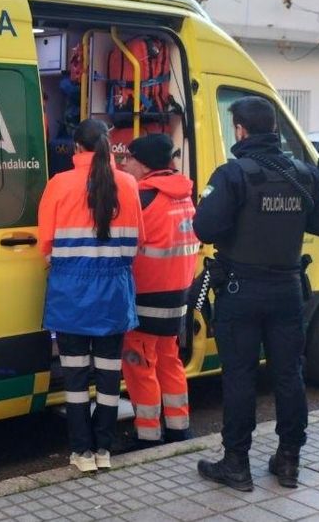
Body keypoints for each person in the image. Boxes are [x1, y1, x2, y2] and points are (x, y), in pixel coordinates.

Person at [193, 97, 319, 491]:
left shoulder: (234, 174)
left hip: (241, 291)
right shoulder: (304, 173)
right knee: (289, 375)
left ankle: (236, 464)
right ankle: (289, 460)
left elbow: (204, 228)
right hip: (288, 290)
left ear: (240, 130)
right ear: (273, 128)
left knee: (239, 376)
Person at [38, 118, 146, 473]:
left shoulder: (59, 184)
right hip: (113, 295)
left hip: (70, 295)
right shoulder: (129, 184)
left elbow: (45, 243)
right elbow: (139, 242)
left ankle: (81, 453)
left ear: (76, 148)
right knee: (108, 377)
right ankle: (104, 450)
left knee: (75, 378)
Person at [119, 134, 198, 448]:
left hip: (145, 296)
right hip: (178, 295)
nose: (124, 164)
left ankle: (148, 434)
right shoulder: (184, 194)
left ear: (144, 163)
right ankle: (179, 429)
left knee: (139, 364)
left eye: (129, 159)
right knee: (169, 360)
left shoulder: (141, 197)